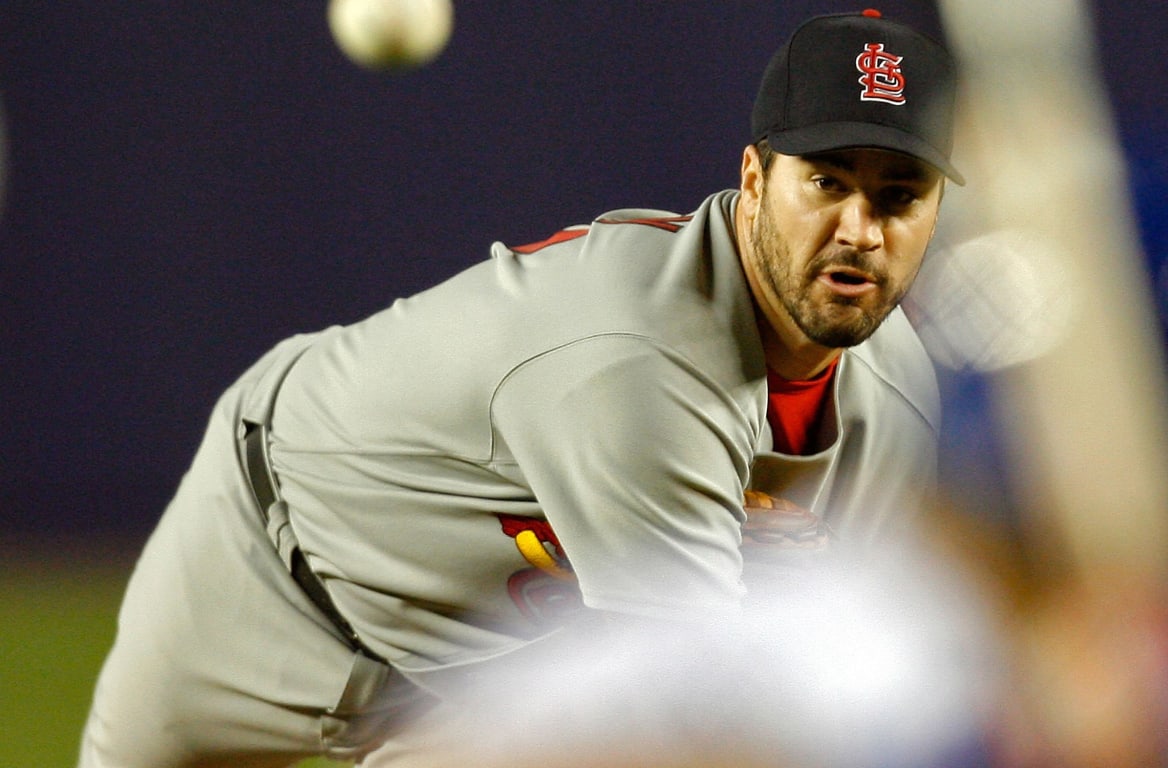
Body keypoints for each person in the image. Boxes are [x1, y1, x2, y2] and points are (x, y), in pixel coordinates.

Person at [79, 9, 965, 768]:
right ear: (750, 182)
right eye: (825, 182)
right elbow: (697, 691)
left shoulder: (903, 403)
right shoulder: (633, 357)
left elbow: (849, 675)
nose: (859, 228)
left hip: (484, 678)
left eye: (898, 195)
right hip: (270, 563)